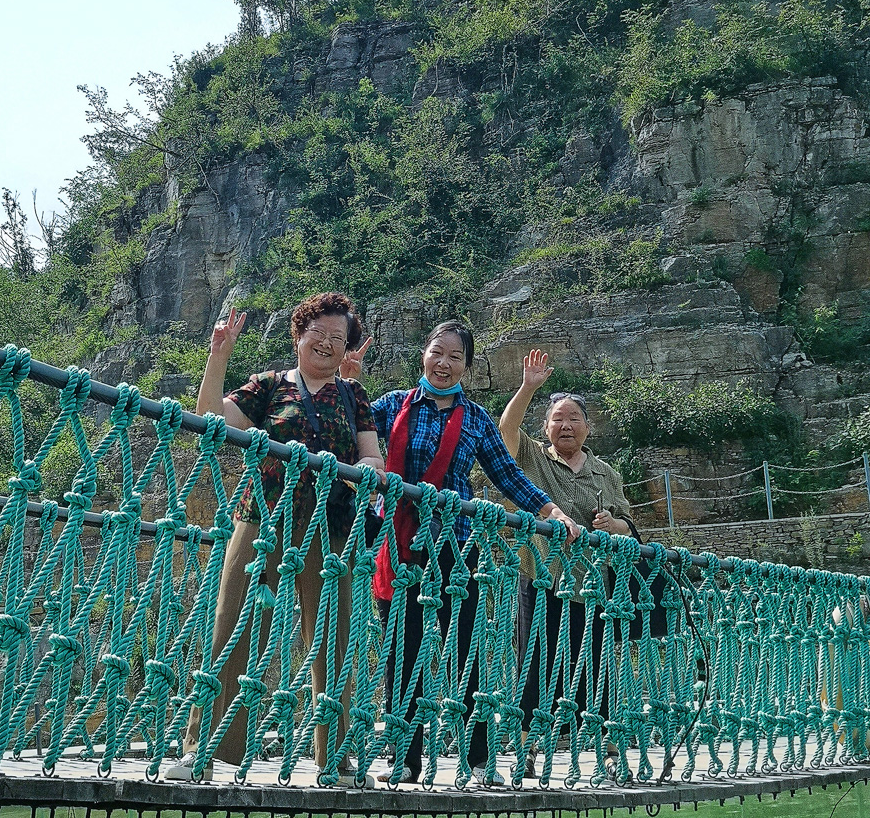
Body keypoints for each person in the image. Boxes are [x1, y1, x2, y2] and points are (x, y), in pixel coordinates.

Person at [165, 292, 384, 785]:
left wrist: (363, 469)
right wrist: (218, 355)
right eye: (317, 333)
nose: (325, 343)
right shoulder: (269, 384)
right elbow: (211, 420)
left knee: (331, 637)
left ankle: (335, 760)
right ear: (298, 335)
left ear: (346, 347)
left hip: (330, 525)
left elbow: (373, 456)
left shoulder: (353, 395)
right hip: (262, 516)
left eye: (337, 337)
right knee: (233, 625)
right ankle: (205, 752)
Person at [365, 322, 579, 785]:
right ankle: (404, 759)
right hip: (399, 546)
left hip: (456, 546)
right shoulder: (393, 404)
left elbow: (508, 475)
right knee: (401, 651)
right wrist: (348, 380)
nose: (443, 364)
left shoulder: (476, 419)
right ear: (423, 354)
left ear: (467, 365)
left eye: (455, 357)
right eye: (437, 353)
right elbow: (353, 432)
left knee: (466, 651)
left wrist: (552, 511)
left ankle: (479, 759)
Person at [498, 350, 638, 776]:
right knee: (534, 664)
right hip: (541, 577)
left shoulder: (605, 472)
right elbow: (506, 431)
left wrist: (612, 524)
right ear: (546, 428)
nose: (566, 425)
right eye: (557, 419)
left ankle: (609, 752)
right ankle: (526, 751)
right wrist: (528, 387)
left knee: (597, 666)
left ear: (587, 427)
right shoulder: (533, 457)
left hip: (592, 585)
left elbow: (629, 526)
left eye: (574, 418)